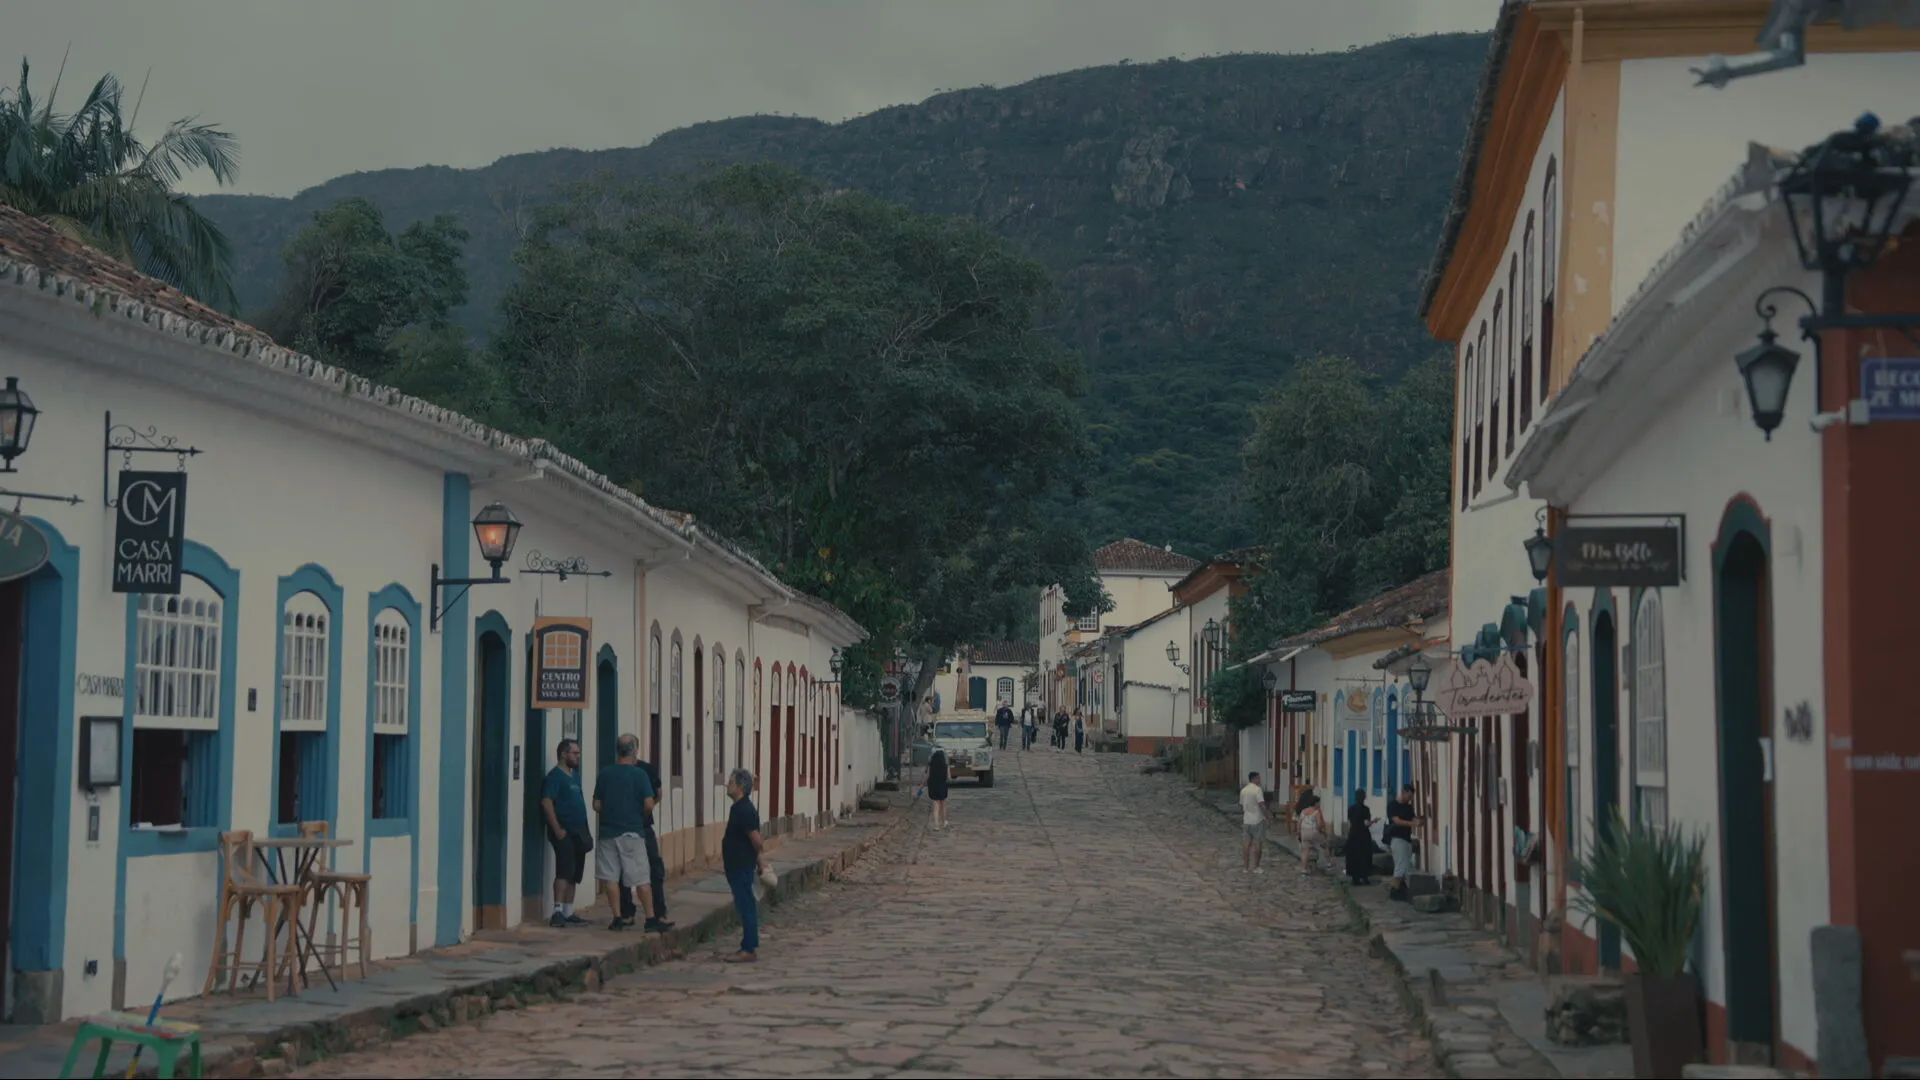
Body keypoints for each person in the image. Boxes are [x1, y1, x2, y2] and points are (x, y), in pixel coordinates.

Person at [592, 733, 658, 931]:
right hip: (632, 832)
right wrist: (640, 812)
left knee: (611, 877)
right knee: (641, 878)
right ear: (634, 750)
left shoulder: (605, 773)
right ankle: (650, 918)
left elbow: (596, 805)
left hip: (608, 832)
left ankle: (617, 917)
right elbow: (648, 803)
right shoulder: (639, 775)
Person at [540, 739, 593, 927]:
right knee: (564, 871)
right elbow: (547, 803)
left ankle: (569, 911)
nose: (577, 756)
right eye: (574, 753)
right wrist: (557, 829)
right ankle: (557, 911)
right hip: (564, 832)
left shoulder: (574, 775)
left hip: (580, 832)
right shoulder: (555, 777)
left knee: (574, 873)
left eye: (578, 753)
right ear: (563, 754)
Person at [619, 754, 675, 933]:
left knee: (648, 868)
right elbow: (657, 796)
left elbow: (657, 794)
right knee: (640, 868)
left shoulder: (645, 769)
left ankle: (650, 911)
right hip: (635, 825)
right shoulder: (637, 770)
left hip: (636, 825)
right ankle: (644, 912)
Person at [721, 767, 769, 963]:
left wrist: (760, 861)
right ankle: (747, 945)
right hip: (737, 865)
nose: (728, 785)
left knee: (746, 906)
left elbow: (756, 841)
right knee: (744, 905)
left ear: (740, 787)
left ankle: (748, 948)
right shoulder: (739, 808)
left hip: (741, 866)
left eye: (731, 783)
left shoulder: (744, 809)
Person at [1386, 783, 1421, 898]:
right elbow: (1396, 821)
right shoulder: (1392, 805)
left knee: (1405, 867)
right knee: (1400, 867)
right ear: (1403, 792)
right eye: (1409, 796)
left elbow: (1413, 817)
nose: (1410, 799)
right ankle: (1394, 890)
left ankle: (1401, 889)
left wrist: (1418, 821)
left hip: (1406, 840)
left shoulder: (1408, 807)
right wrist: (1412, 823)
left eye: (1411, 798)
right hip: (1397, 839)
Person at [1345, 790, 1379, 886]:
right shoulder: (1365, 809)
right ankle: (1364, 877)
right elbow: (1366, 823)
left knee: (1354, 856)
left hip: (1353, 834)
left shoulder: (1351, 809)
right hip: (1363, 835)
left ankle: (1355, 878)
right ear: (1364, 798)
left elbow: (1349, 822)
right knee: (1364, 856)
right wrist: (1374, 821)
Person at [1239, 771, 1269, 874]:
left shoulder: (1243, 790)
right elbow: (1261, 804)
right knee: (1258, 843)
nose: (1259, 780)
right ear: (1254, 779)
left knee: (1246, 844)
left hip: (1246, 819)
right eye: (1258, 778)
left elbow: (1241, 805)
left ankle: (1245, 867)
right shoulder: (1257, 790)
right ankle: (1256, 866)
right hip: (1257, 819)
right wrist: (1266, 815)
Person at [1297, 793, 1328, 875]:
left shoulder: (1303, 811)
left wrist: (1298, 833)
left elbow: (1299, 823)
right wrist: (1323, 831)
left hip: (1304, 833)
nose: (1319, 804)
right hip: (1313, 832)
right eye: (1319, 803)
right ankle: (1329, 863)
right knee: (1325, 845)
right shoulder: (1316, 812)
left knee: (1305, 851)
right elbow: (1318, 825)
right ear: (1316, 803)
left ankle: (1304, 869)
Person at [926, 748, 951, 830]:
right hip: (942, 784)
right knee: (943, 804)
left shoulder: (931, 763)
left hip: (933, 784)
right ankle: (945, 822)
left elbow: (928, 775)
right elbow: (949, 776)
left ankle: (936, 825)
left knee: (935, 804)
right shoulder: (945, 763)